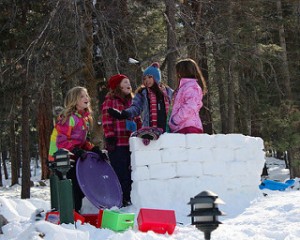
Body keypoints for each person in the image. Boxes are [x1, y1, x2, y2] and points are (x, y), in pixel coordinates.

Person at [48, 86, 103, 213]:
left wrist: (93, 149)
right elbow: (61, 141)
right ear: (74, 100)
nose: (86, 98)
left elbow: (81, 142)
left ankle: (75, 213)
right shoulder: (68, 117)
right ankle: (69, 214)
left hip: (71, 155)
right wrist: (75, 150)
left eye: (87, 95)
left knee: (79, 184)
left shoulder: (84, 119)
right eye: (82, 96)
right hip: (60, 158)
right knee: (72, 185)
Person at [101, 74, 141, 207]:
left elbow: (137, 118)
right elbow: (107, 121)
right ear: (118, 86)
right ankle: (122, 198)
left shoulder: (132, 101)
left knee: (131, 172)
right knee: (121, 171)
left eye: (129, 82)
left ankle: (130, 196)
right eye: (125, 82)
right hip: (117, 143)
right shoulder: (110, 101)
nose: (129, 84)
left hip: (131, 143)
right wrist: (110, 136)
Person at [108, 62, 173, 133]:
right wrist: (124, 114)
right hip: (150, 131)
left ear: (156, 77)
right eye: (144, 78)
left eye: (150, 77)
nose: (147, 80)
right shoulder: (143, 93)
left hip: (168, 131)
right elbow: (136, 107)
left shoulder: (169, 92)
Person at [167, 58, 207, 134]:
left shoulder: (192, 87)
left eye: (178, 70)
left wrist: (175, 120)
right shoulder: (185, 86)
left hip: (188, 127)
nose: (177, 74)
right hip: (182, 127)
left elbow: (190, 106)